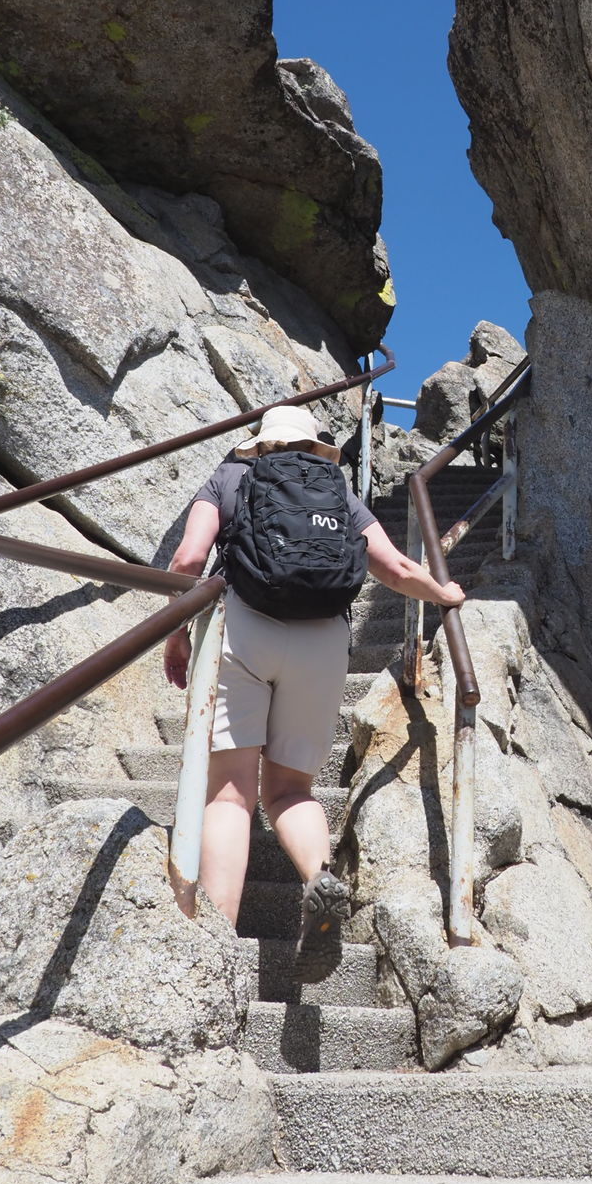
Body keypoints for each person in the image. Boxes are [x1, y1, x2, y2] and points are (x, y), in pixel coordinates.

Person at [162, 402, 465, 976]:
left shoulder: (229, 475)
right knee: (291, 790)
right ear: (312, 447)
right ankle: (319, 879)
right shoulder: (340, 492)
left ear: (259, 444)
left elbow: (190, 556)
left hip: (244, 630)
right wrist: (443, 595)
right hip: (323, 644)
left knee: (229, 795)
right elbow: (395, 567)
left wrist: (176, 632)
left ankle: (217, 954)